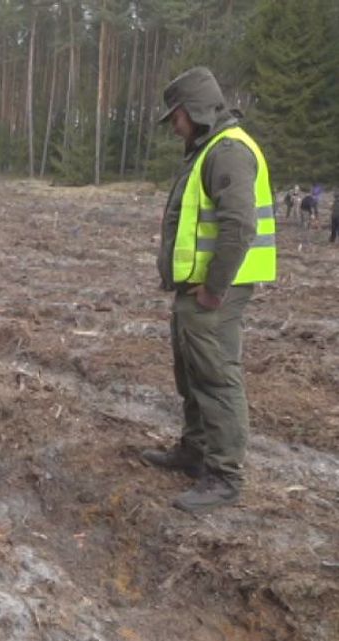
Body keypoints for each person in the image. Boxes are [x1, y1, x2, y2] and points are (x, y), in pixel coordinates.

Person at [141, 66, 276, 512]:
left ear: (193, 111)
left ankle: (224, 476)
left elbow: (239, 225)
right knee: (191, 372)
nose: (173, 125)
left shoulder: (228, 150)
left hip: (216, 291)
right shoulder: (207, 149)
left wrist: (214, 289)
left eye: (175, 116)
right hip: (196, 289)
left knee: (216, 378)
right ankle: (195, 452)